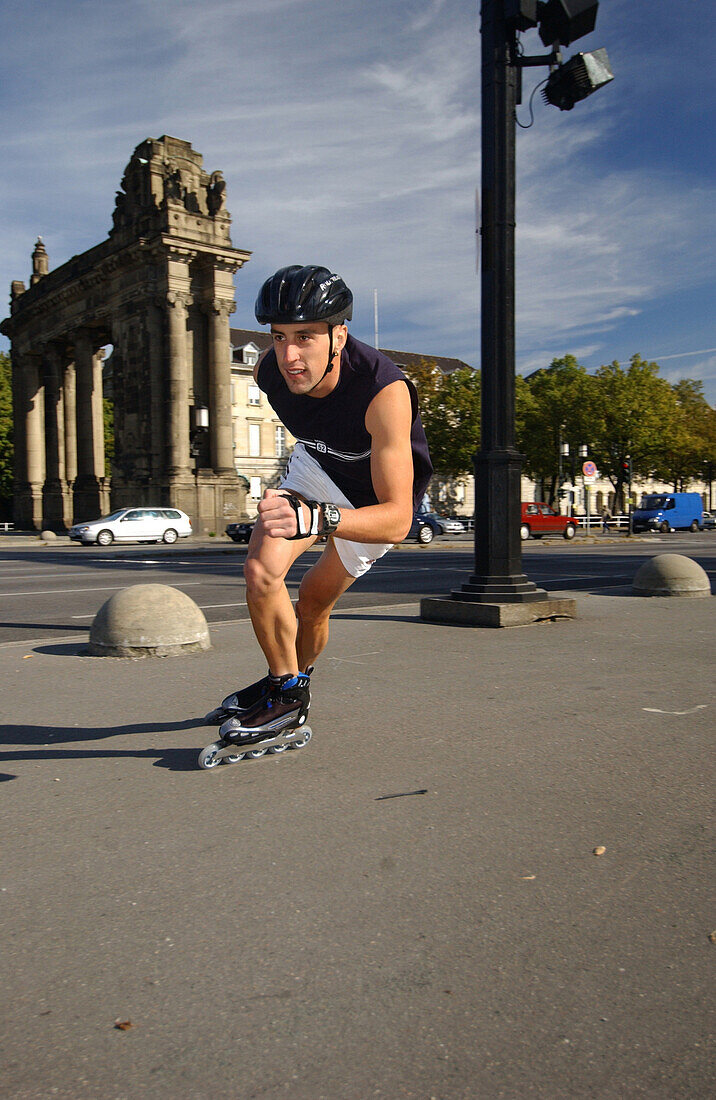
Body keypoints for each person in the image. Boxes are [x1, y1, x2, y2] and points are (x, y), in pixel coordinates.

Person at [208, 265, 433, 744]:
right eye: (279, 336)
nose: (289, 356)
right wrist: (303, 500)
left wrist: (321, 517)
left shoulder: (383, 392)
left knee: (312, 600)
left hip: (373, 499)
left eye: (306, 337)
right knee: (260, 570)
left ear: (339, 335)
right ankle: (284, 690)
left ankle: (296, 680)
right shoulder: (268, 371)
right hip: (317, 467)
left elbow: (398, 520)